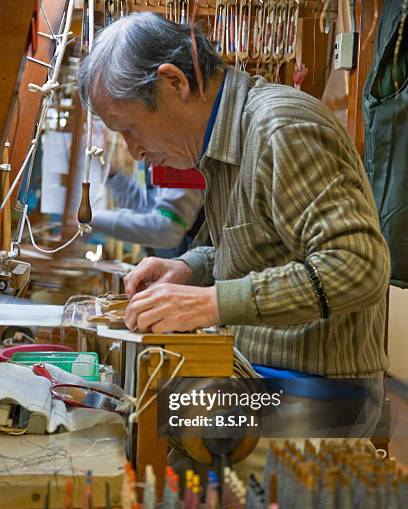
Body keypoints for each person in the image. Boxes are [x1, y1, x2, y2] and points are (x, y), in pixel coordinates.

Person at [78, 13, 391, 435]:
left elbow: (359, 267)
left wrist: (210, 303)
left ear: (175, 83)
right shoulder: (223, 146)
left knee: (155, 428)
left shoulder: (280, 127)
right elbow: (262, 246)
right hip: (263, 375)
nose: (133, 151)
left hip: (322, 391)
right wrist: (190, 267)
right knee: (141, 420)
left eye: (130, 128)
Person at [92, 137, 205, 258]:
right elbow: (145, 207)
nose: (129, 148)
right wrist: (111, 172)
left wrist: (90, 219)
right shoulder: (155, 148)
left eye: (129, 128)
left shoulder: (179, 151)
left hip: (189, 265)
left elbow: (167, 230)